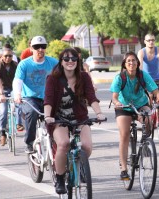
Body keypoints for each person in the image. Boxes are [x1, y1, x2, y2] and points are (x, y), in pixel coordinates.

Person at [44, 48, 105, 194]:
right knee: (63, 144)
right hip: (59, 118)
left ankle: (79, 163)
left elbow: (91, 97)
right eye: (66, 59)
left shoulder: (84, 77)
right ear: (61, 62)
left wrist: (99, 113)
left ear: (78, 61)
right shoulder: (53, 79)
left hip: (80, 117)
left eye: (73, 59)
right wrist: (48, 116)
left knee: (87, 147)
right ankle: (59, 177)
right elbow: (49, 99)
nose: (70, 61)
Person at [110, 51, 159, 180]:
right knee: (124, 134)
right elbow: (114, 97)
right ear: (125, 64)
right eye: (129, 61)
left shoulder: (143, 75)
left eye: (134, 60)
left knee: (148, 120)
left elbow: (155, 91)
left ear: (138, 63)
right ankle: (124, 169)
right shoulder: (120, 77)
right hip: (124, 107)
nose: (132, 63)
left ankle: (144, 144)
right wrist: (117, 103)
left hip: (141, 104)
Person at [13, 36, 58, 153]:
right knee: (31, 113)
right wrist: (17, 94)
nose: (40, 49)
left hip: (49, 98)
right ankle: (29, 142)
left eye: (43, 46)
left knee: (59, 116)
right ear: (31, 48)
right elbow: (18, 81)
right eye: (36, 47)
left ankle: (57, 141)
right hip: (30, 98)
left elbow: (64, 76)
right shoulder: (24, 64)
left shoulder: (53, 62)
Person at [0, 48, 23, 146]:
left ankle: (19, 124)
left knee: (19, 104)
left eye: (10, 56)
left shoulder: (16, 65)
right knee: (3, 111)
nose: (8, 58)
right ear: (2, 57)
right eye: (5, 56)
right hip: (3, 90)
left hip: (13, 89)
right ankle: (2, 132)